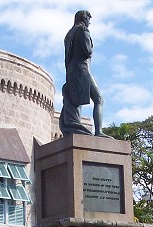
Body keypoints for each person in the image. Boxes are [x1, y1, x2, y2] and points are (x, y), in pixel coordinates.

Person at [59, 10, 111, 138]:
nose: (89, 22)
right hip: (82, 69)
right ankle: (98, 131)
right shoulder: (83, 30)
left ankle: (75, 129)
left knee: (77, 102)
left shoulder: (68, 34)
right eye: (89, 19)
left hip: (71, 71)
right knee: (99, 99)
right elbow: (88, 51)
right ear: (84, 18)